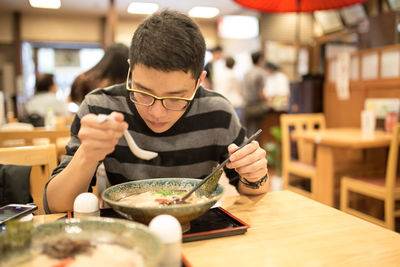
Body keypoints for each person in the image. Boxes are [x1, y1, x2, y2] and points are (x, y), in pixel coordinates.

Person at [44, 10, 269, 213]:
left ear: (199, 81)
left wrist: (254, 175)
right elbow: (56, 205)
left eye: (176, 97)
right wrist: (88, 154)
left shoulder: (218, 112)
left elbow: (251, 191)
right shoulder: (100, 107)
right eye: (143, 92)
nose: (157, 113)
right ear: (131, 69)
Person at [242, 51, 268, 135]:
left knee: (246, 132)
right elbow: (261, 92)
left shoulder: (246, 72)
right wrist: (268, 100)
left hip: (246, 106)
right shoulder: (261, 73)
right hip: (257, 106)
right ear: (260, 60)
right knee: (256, 132)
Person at [214, 56, 244, 120]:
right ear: (234, 65)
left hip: (219, 101)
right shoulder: (233, 76)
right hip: (232, 103)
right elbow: (238, 90)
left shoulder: (219, 74)